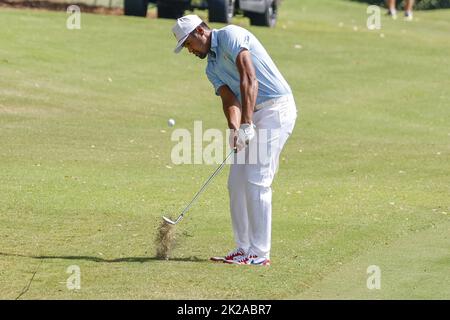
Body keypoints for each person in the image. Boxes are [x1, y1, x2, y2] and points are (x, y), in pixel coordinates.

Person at [171, 15, 297, 266]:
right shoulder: (211, 68)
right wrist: (234, 129)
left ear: (200, 31)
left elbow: (249, 78)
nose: (189, 50)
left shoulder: (230, 35)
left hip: (275, 110)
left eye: (188, 43)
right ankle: (243, 248)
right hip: (253, 115)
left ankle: (260, 254)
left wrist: (247, 123)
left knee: (257, 180)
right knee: (236, 183)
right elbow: (230, 100)